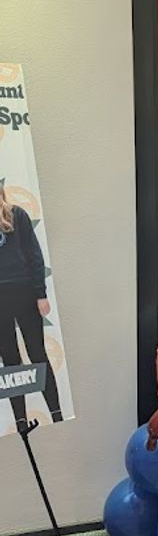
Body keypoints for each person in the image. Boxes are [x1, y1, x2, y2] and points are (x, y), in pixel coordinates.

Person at [0, 185, 62, 431]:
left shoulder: (18, 215)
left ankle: (56, 413)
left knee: (37, 353)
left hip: (25, 293)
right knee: (10, 361)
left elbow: (34, 255)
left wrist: (41, 294)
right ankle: (20, 421)